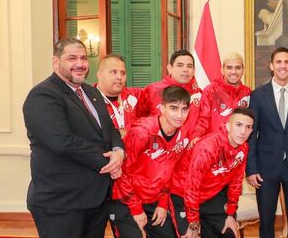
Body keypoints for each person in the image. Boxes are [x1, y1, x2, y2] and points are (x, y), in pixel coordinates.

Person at [22, 38, 124, 238]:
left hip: (94, 200)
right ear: (55, 62)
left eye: (84, 58)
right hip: (61, 203)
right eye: (72, 58)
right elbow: (63, 142)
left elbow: (110, 130)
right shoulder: (43, 95)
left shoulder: (92, 92)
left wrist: (119, 152)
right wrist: (110, 161)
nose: (80, 64)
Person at [172, 52, 251, 236]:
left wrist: (230, 213)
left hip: (226, 166)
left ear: (243, 70)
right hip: (210, 156)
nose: (233, 71)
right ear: (222, 69)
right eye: (229, 67)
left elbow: (247, 122)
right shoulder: (211, 90)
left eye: (237, 67)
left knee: (223, 227)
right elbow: (203, 118)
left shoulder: (247, 92)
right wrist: (197, 139)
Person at [109, 86, 192, 238]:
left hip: (153, 199)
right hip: (125, 198)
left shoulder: (183, 136)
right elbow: (122, 172)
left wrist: (162, 203)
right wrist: (136, 209)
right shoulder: (141, 133)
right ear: (162, 108)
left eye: (184, 109)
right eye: (174, 108)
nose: (179, 115)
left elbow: (169, 173)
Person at [246, 47, 288, 238]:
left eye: (286, 62)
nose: (282, 66)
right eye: (278, 62)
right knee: (266, 222)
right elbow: (252, 134)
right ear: (271, 66)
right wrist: (251, 168)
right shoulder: (258, 95)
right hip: (265, 168)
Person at [182, 108, 255, 238]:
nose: (243, 132)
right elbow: (192, 186)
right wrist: (193, 221)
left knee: (228, 233)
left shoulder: (243, 148)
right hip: (184, 195)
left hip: (213, 194)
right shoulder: (208, 147)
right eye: (238, 125)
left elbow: (236, 182)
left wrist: (231, 214)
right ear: (228, 126)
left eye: (248, 127)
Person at [135, 49, 202, 118]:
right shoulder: (153, 90)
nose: (185, 69)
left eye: (189, 66)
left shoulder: (199, 94)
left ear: (194, 70)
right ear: (170, 68)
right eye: (180, 65)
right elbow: (139, 117)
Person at [95, 54, 143, 136]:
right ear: (99, 74)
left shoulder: (134, 95)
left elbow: (160, 92)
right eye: (114, 72)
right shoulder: (88, 100)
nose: (119, 77)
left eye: (123, 73)